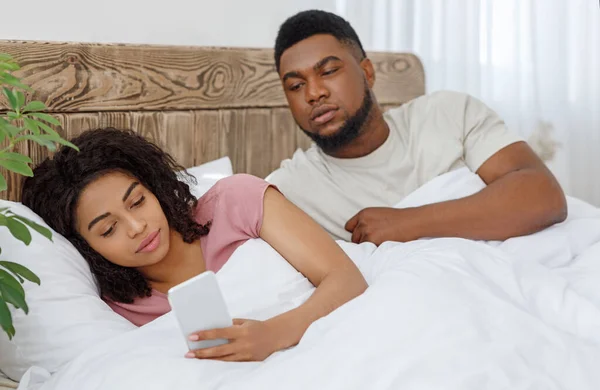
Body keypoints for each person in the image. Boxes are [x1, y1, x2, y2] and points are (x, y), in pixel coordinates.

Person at [21, 128, 367, 362]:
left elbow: (346, 278)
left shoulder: (237, 199)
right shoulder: (120, 310)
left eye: (138, 201)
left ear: (155, 186)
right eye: (109, 229)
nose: (137, 227)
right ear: (87, 248)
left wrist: (273, 335)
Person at [267, 10, 568, 245]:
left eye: (329, 71)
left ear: (367, 72)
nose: (313, 93)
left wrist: (407, 223)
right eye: (295, 85)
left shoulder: (446, 114)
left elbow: (544, 196)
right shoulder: (289, 188)